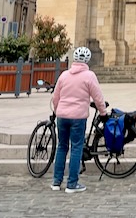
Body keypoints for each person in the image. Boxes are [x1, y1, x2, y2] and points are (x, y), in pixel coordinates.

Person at [50, 46, 107, 193]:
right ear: (87, 60)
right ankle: (72, 184)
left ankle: (56, 182)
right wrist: (103, 112)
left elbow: (55, 97)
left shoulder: (64, 75)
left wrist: (58, 111)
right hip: (78, 118)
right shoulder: (89, 76)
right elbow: (98, 97)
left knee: (62, 147)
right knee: (76, 148)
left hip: (62, 116)